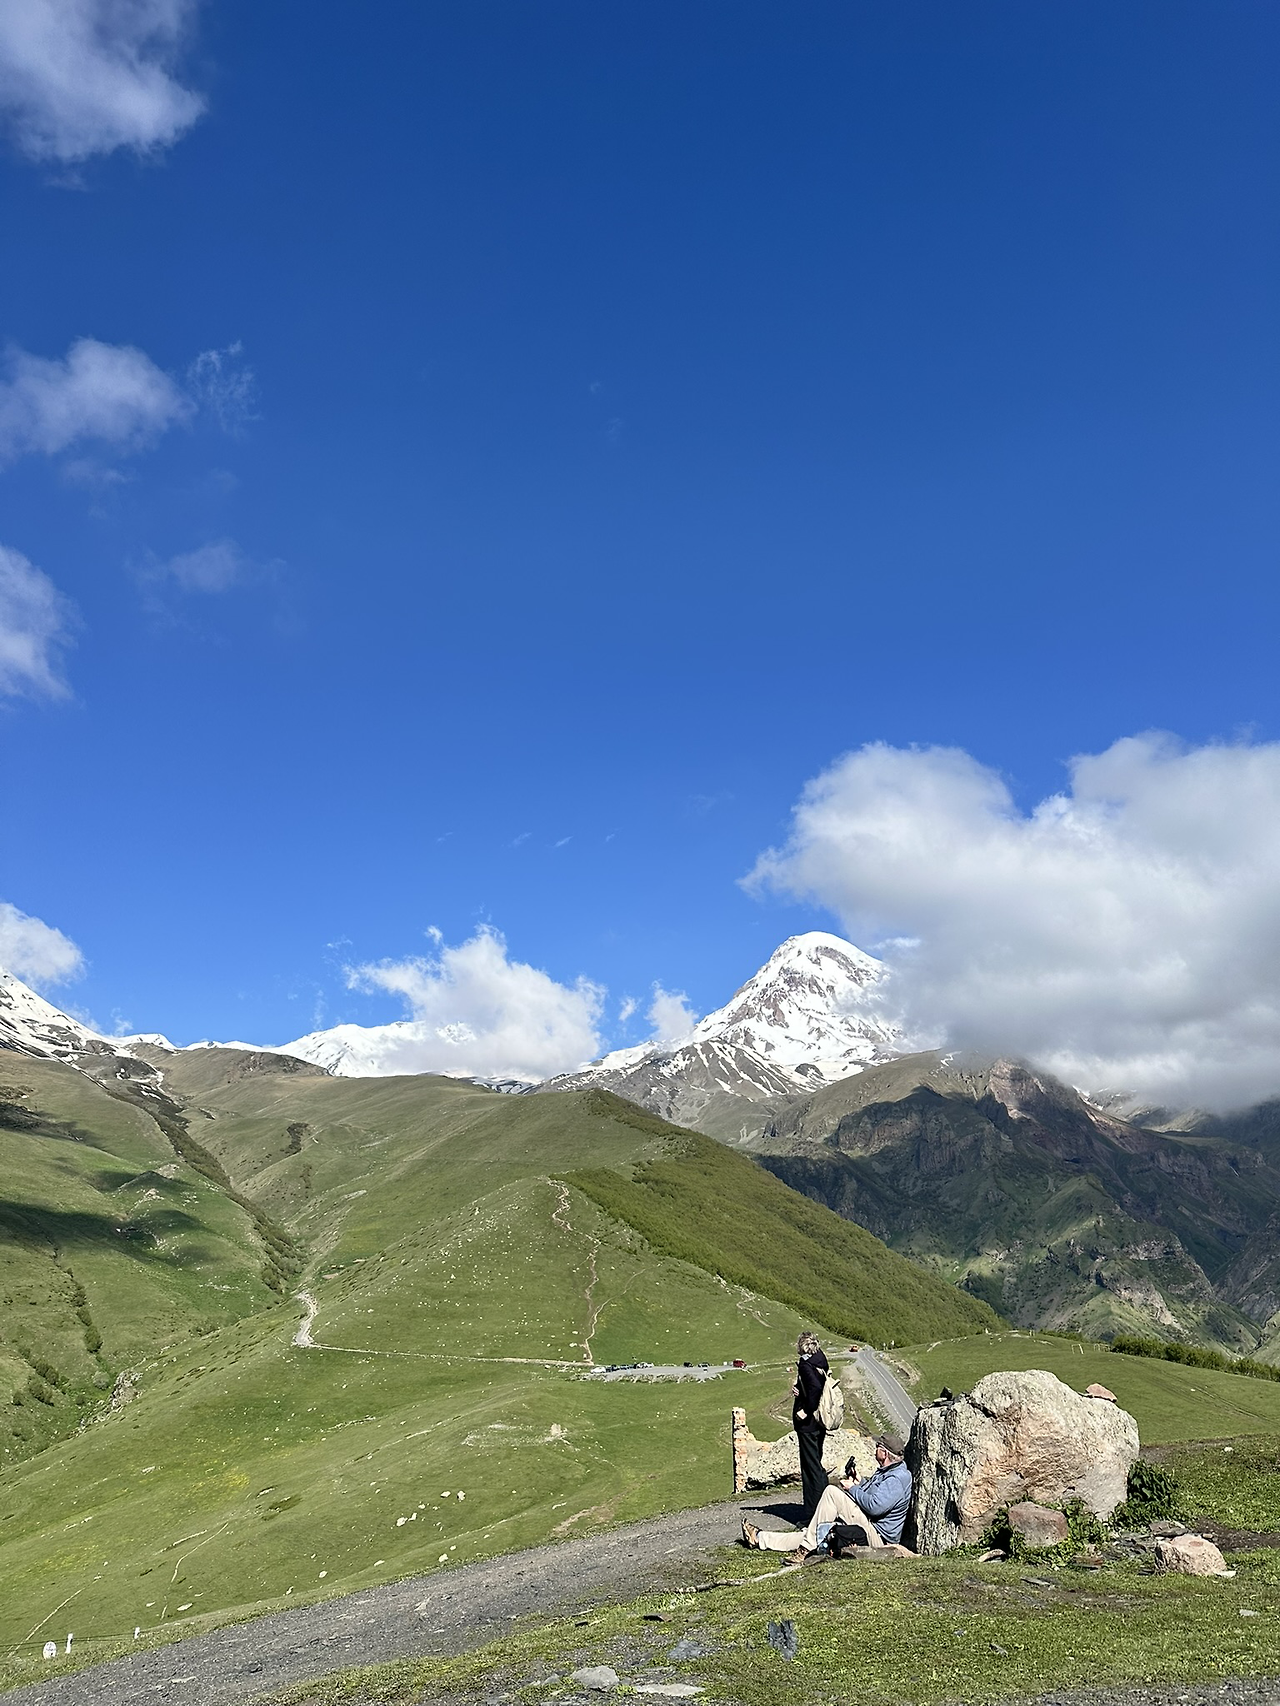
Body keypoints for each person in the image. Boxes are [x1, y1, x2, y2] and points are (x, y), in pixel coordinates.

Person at [742, 1432, 913, 1561]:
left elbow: (875, 1507)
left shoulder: (897, 1479)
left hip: (878, 1538)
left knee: (832, 1493)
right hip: (868, 1525)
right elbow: (876, 1495)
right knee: (816, 1533)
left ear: (884, 1453)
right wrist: (860, 1482)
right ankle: (760, 1538)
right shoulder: (889, 1471)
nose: (874, 1450)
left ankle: (805, 1549)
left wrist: (853, 1489)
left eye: (877, 1447)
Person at [790, 1331, 829, 1520]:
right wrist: (800, 1388)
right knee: (816, 1464)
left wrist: (805, 1410)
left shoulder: (806, 1365)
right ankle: (826, 1505)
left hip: (808, 1424)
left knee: (810, 1468)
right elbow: (816, 1384)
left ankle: (814, 1514)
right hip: (820, 1421)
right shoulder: (820, 1359)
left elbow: (815, 1388)